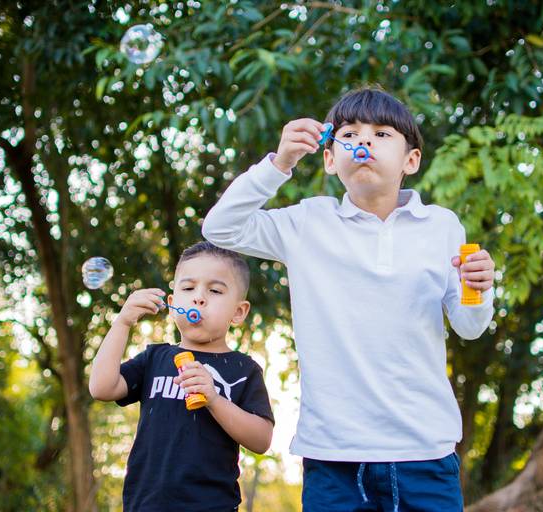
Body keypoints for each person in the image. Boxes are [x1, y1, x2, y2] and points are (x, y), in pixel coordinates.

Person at [202, 87, 496, 511]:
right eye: (351, 134)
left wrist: (480, 290)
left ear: (411, 160)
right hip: (333, 455)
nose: (364, 142)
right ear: (328, 158)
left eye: (381, 134)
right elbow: (221, 229)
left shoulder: (442, 227)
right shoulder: (307, 222)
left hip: (424, 453)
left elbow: (470, 327)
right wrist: (279, 163)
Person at [89, 241, 274, 512]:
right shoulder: (155, 358)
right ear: (174, 303)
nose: (198, 298)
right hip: (146, 505)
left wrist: (214, 399)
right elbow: (101, 388)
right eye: (188, 288)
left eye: (214, 290)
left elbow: (262, 440)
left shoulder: (243, 369)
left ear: (238, 312)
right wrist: (123, 322)